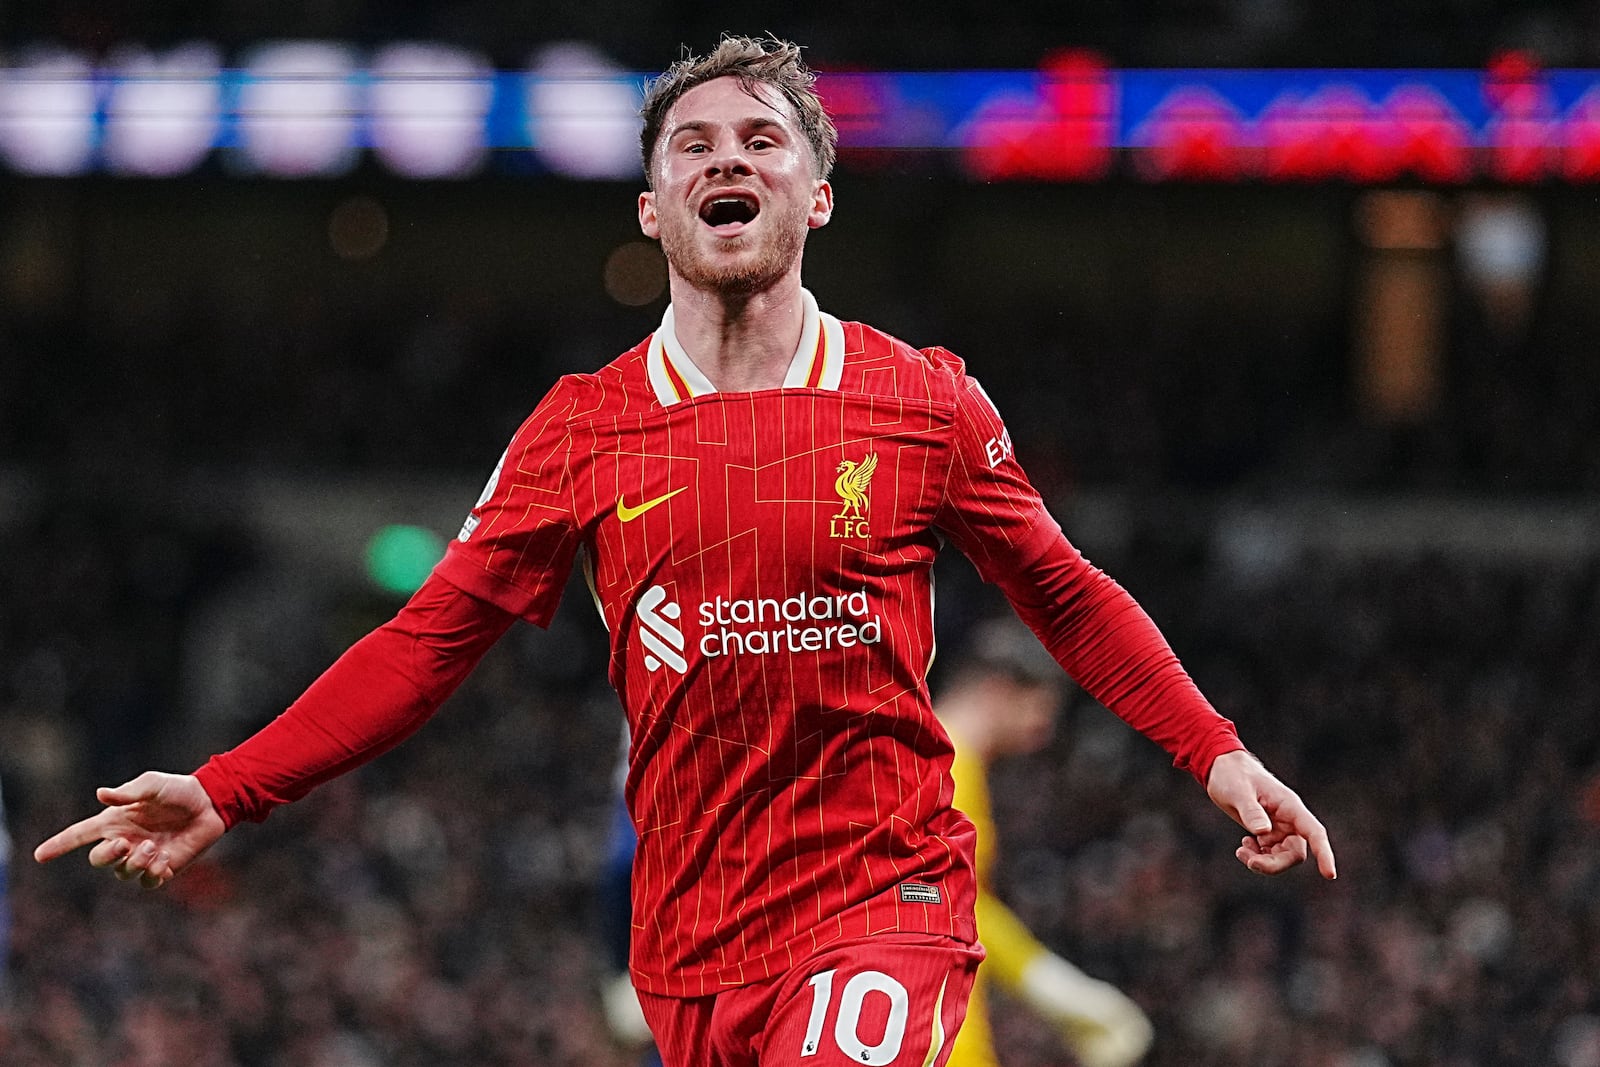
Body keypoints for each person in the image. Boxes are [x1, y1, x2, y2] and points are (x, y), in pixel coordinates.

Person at [35, 35, 1336, 1067]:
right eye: (695, 144)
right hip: (694, 933)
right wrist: (232, 784)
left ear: (814, 196)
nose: (732, 158)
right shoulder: (580, 430)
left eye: (764, 139)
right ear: (653, 208)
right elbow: (427, 642)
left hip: (886, 894)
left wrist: (1211, 747)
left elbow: (1062, 588)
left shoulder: (922, 398)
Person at [936, 619, 1152, 1067]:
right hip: (938, 1033)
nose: (1045, 729)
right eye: (1041, 708)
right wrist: (1058, 990)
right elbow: (952, 906)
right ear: (999, 689)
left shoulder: (949, 764)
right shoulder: (947, 766)